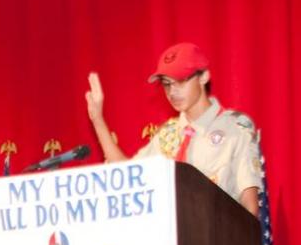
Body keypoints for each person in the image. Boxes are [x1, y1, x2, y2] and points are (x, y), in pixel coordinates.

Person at [86, 42, 263, 214]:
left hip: (219, 230)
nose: (172, 92)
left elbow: (250, 207)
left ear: (203, 77)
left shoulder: (235, 127)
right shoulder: (167, 134)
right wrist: (98, 120)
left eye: (180, 81)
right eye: (166, 84)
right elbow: (127, 175)